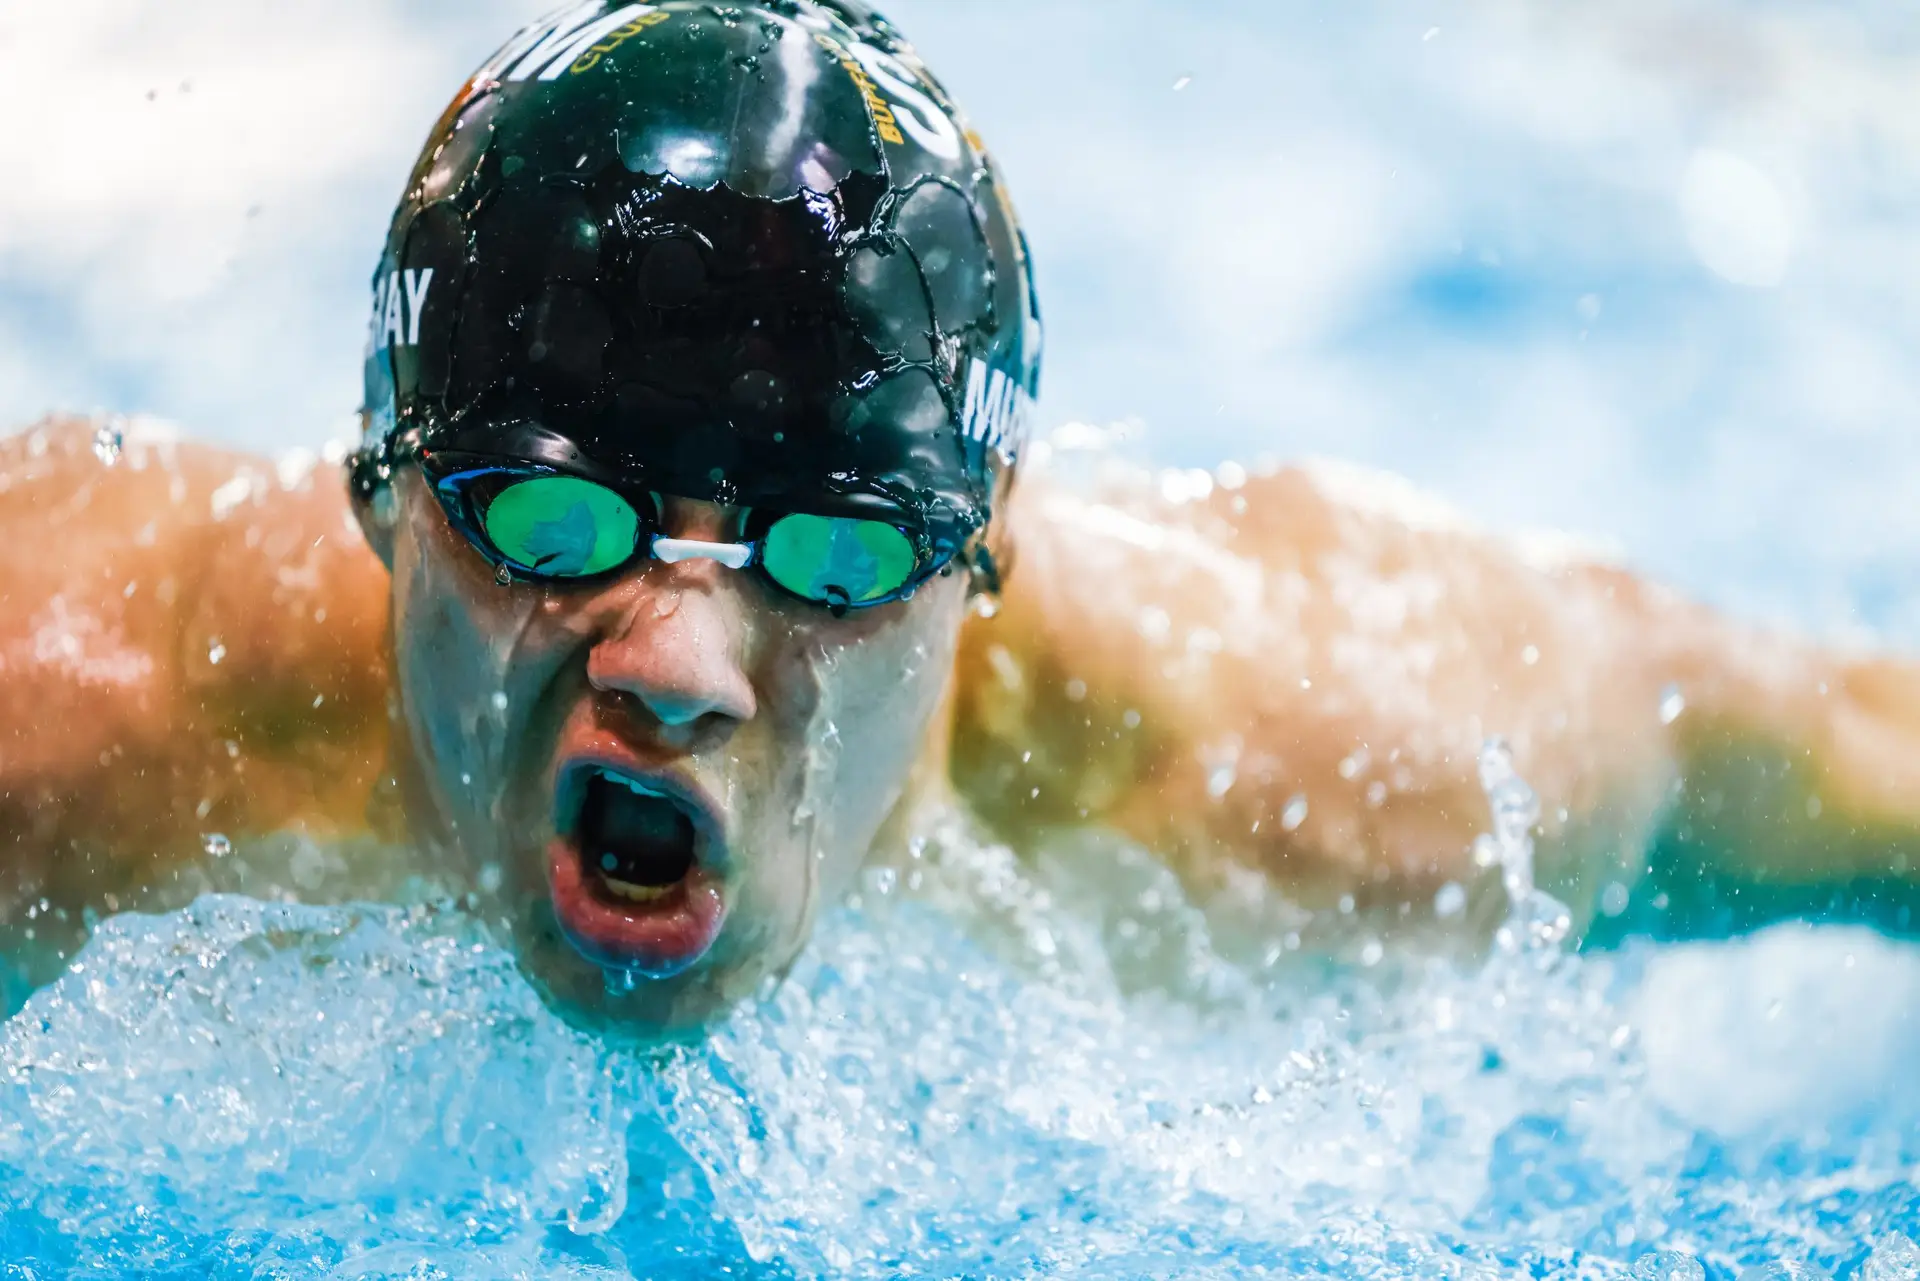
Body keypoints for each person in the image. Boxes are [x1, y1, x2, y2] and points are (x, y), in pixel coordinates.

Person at [3, 0, 1919, 1034]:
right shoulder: (66, 728)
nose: (677, 666)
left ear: (977, 562)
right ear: (380, 498)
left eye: (835, 555)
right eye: (557, 527)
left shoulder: (1340, 775)